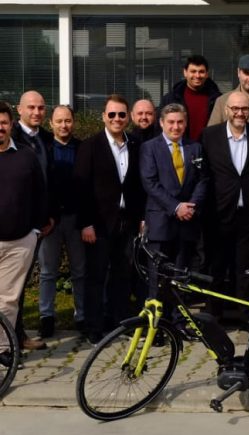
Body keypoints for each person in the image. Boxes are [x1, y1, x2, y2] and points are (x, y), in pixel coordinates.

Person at [74, 94, 145, 344]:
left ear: (128, 118)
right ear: (104, 116)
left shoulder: (135, 144)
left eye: (121, 114)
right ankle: (93, 327)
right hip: (99, 223)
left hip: (127, 222)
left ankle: (119, 324)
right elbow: (81, 188)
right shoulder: (90, 146)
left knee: (123, 275)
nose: (117, 118)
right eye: (112, 114)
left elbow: (139, 185)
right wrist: (85, 223)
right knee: (96, 276)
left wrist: (141, 217)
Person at [201, 92, 249, 318]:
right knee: (216, 267)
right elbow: (204, 174)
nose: (240, 113)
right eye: (235, 109)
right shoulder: (210, 135)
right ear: (226, 110)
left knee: (246, 268)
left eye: (245, 109)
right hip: (218, 213)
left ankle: (247, 316)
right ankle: (213, 316)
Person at [140, 103, 208, 298]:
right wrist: (176, 207)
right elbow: (150, 182)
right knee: (158, 277)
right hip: (161, 222)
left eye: (180, 122)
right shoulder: (149, 148)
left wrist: (191, 206)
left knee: (180, 278)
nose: (175, 127)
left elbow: (203, 180)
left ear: (185, 124)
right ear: (162, 123)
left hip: (187, 222)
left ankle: (177, 316)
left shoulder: (195, 148)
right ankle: (158, 316)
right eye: (171, 122)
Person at [0, 101, 47, 364]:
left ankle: (3, 349)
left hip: (19, 242)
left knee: (8, 299)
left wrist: (35, 230)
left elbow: (40, 194)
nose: (0, 127)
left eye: (3, 123)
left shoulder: (26, 155)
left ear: (10, 125)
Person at [37, 105, 85, 338]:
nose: (64, 125)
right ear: (51, 123)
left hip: (76, 218)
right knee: (48, 271)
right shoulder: (43, 149)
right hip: (51, 221)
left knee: (79, 270)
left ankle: (81, 315)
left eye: (67, 121)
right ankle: (46, 316)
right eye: (59, 121)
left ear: (73, 122)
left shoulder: (83, 148)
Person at [12, 90, 54, 350]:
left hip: (38, 223)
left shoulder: (46, 139)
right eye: (31, 107)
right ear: (19, 110)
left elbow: (49, 181)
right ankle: (12, 339)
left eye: (41, 107)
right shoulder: (10, 138)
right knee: (10, 286)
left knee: (20, 284)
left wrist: (49, 216)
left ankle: (16, 336)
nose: (37, 112)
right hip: (15, 223)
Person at [160, 55, 221, 141]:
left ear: (207, 74)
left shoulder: (218, 100)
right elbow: (159, 128)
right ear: (185, 73)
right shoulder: (170, 99)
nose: (197, 75)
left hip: (209, 147)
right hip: (179, 147)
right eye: (193, 71)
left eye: (201, 72)